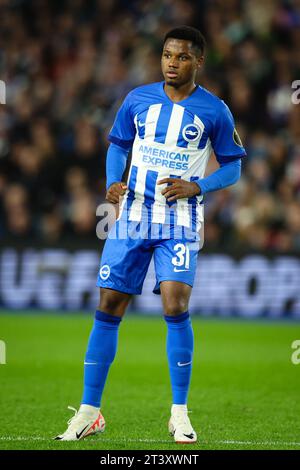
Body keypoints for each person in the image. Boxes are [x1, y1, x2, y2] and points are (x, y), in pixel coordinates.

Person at [55, 25, 246, 444]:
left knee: (175, 304)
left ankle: (179, 413)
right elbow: (118, 144)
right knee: (109, 302)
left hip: (180, 222)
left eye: (180, 57)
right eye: (166, 55)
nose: (171, 63)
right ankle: (89, 412)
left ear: (198, 61)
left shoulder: (215, 111)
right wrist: (112, 182)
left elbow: (233, 165)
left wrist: (199, 185)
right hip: (133, 215)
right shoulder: (137, 99)